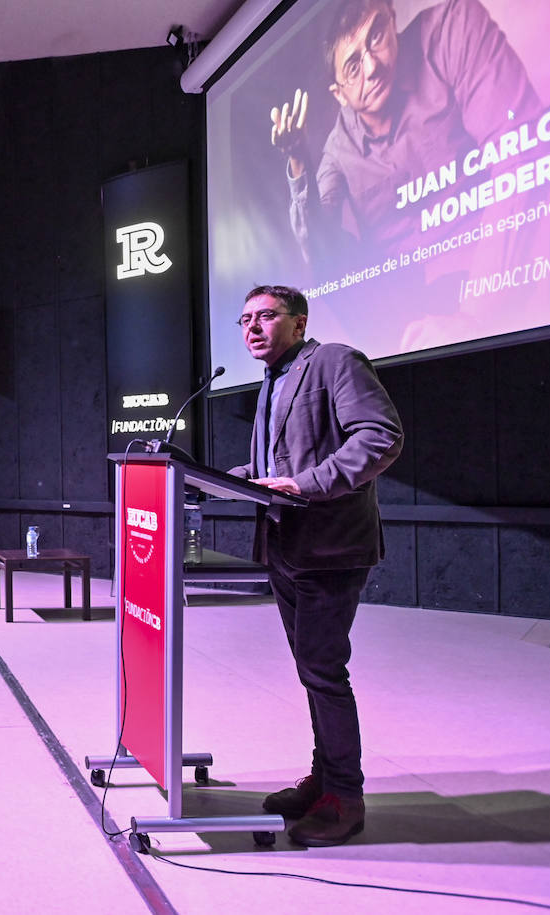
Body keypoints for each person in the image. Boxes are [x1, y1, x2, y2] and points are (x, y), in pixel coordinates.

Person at [229, 285, 403, 847]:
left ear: (299, 323)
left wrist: (308, 483)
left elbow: (380, 436)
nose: (252, 327)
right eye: (245, 319)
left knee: (324, 672)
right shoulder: (274, 380)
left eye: (266, 316)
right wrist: (236, 478)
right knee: (312, 671)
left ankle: (345, 798)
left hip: (331, 547)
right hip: (285, 545)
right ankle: (324, 778)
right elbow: (279, 460)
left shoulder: (333, 361)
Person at [271, 0, 539, 265]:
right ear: (339, 94)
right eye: (353, 67)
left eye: (375, 36)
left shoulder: (450, 31)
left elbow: (522, 155)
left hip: (492, 265)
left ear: (392, 17)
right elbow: (318, 251)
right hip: (406, 298)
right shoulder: (338, 149)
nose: (372, 67)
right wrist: (298, 159)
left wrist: (482, 296)